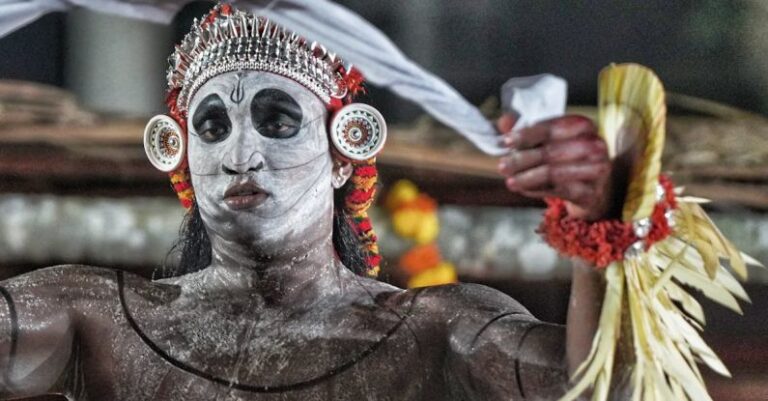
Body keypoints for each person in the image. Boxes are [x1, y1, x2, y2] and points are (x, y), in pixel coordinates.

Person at [0, 4, 618, 400]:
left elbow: (597, 392)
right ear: (180, 154)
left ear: (345, 148)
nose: (241, 155)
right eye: (212, 127)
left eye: (276, 120)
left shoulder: (437, 331)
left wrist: (598, 219)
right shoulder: (97, 318)